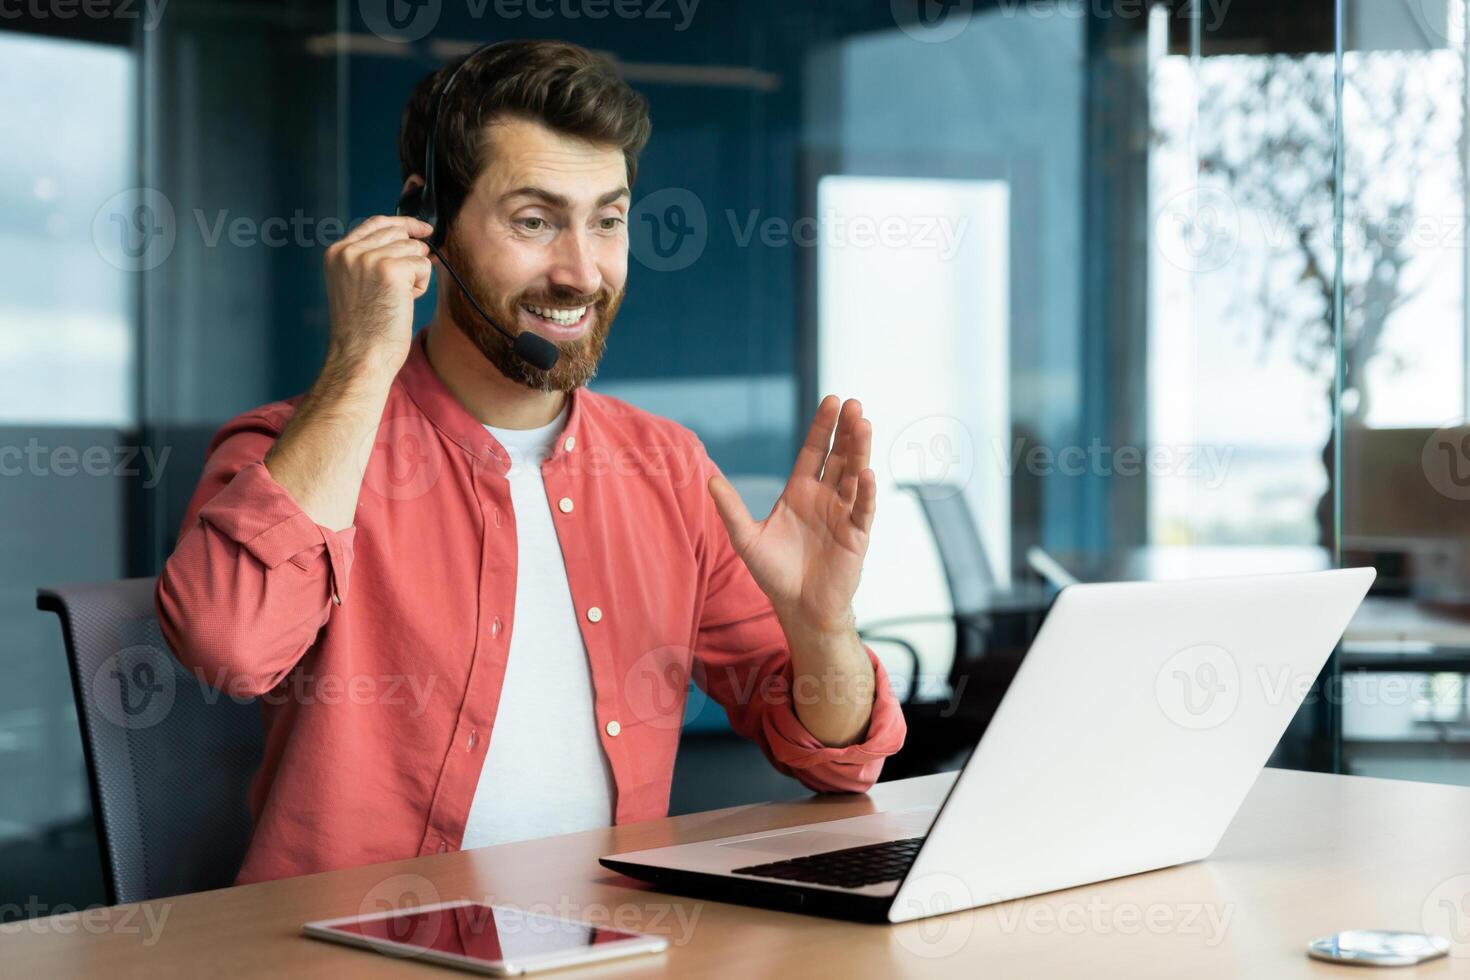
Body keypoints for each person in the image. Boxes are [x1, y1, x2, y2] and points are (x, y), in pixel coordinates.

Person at [156, 38, 905, 885]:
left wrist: (821, 629)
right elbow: (227, 651)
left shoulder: (663, 465)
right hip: (349, 951)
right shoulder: (291, 448)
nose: (581, 272)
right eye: (535, 220)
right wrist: (364, 360)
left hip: (608, 944)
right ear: (425, 223)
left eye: (608, 220)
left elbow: (837, 758)